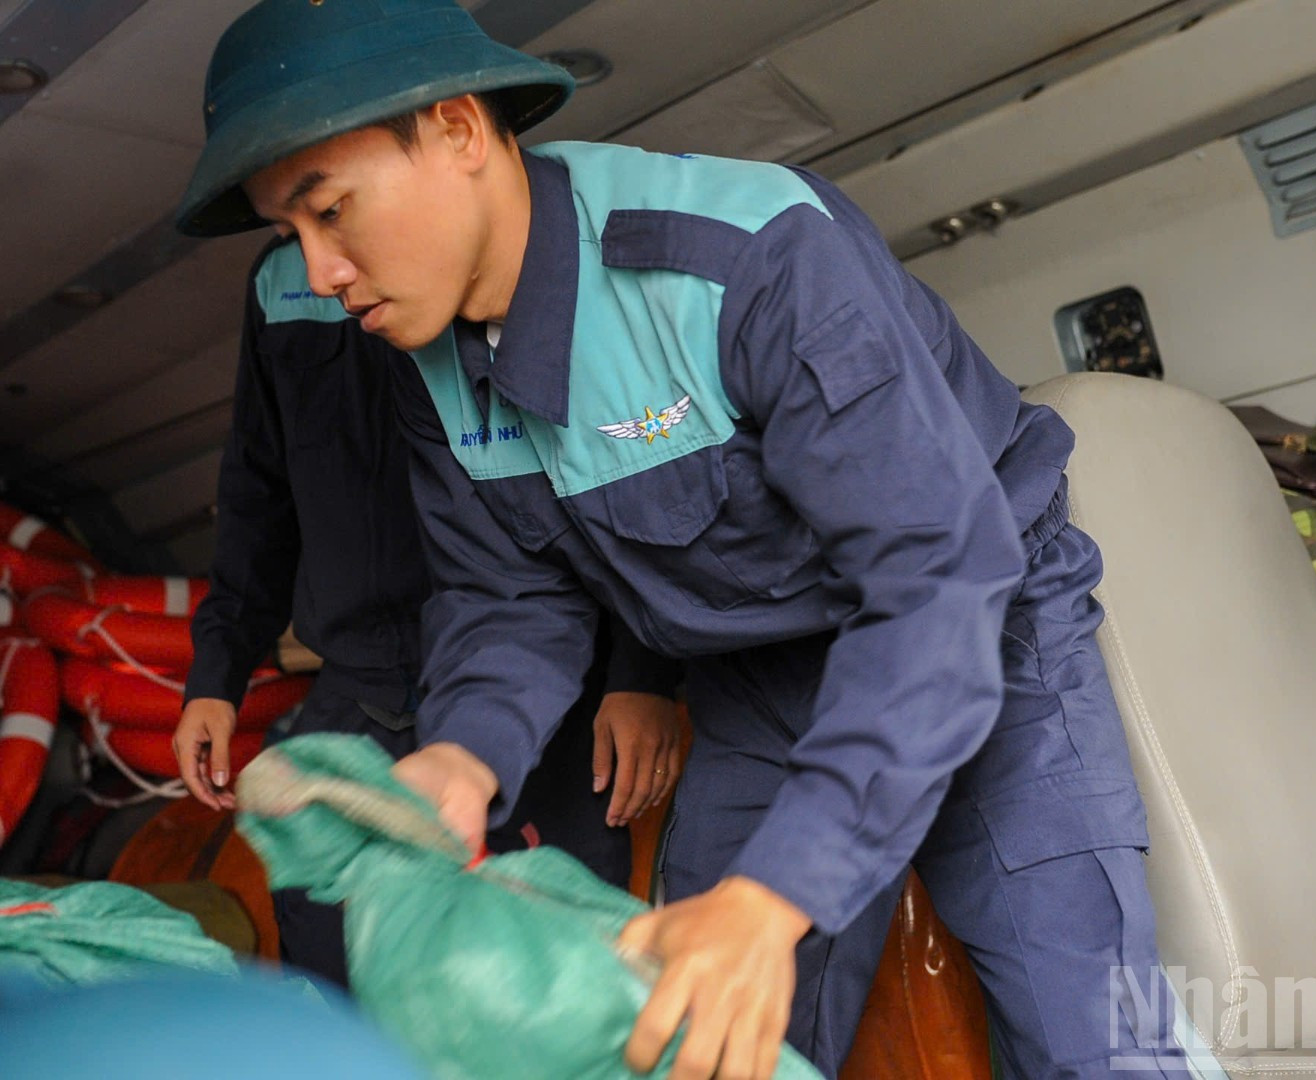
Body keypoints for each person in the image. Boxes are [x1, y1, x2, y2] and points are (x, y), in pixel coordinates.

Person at [173, 2, 1191, 1077]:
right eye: (292, 236)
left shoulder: (740, 259)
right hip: (752, 681)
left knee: (1096, 1042)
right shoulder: (423, 360)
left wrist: (776, 894)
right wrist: (463, 760)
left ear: (460, 131)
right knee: (687, 1040)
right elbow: (508, 597)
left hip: (988, 640)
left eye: (331, 211)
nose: (321, 273)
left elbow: (939, 578)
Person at [172, 234, 683, 989]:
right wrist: (216, 672)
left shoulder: (517, 243)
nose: (324, 265)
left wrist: (642, 674)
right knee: (325, 952)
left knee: (560, 976)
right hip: (361, 686)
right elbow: (258, 490)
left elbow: (632, 479)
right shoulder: (282, 283)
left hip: (535, 688)